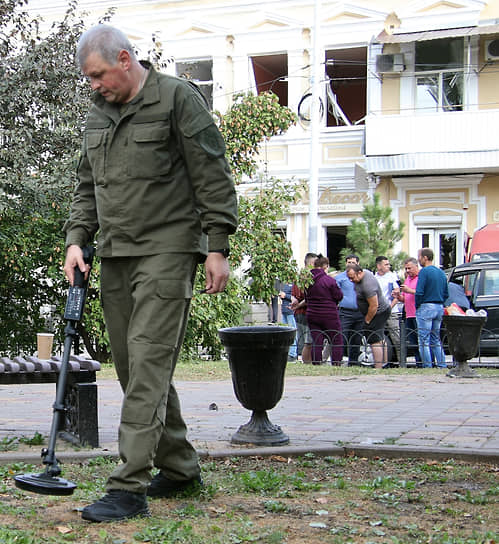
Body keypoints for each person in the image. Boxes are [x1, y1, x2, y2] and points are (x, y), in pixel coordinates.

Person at [62, 25, 238, 522]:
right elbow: (84, 185)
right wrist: (77, 239)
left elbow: (212, 173)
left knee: (146, 363)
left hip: (168, 250)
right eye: (88, 79)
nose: (94, 85)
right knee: (134, 366)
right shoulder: (100, 114)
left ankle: (128, 485)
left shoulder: (178, 99)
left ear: (124, 59)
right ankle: (180, 467)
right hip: (116, 255)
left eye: (97, 75)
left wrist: (217, 248)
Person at [346, 263, 391, 369]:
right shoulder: (365, 273)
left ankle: (378, 366)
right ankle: (384, 363)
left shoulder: (368, 285)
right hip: (380, 311)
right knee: (380, 338)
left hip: (377, 313)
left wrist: (367, 320)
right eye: (349, 278)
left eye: (352, 278)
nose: (351, 280)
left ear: (360, 273)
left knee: (373, 339)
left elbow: (374, 306)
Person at [305, 255, 343, 365]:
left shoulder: (307, 281)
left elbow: (306, 297)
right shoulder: (329, 280)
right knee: (336, 339)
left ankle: (316, 363)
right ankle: (336, 363)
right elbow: (338, 296)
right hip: (329, 314)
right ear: (325, 266)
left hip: (312, 314)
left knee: (317, 341)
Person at [415, 248, 449, 368]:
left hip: (426, 306)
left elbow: (419, 291)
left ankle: (427, 366)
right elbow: (446, 293)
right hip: (439, 306)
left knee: (424, 339)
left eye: (419, 256)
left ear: (425, 258)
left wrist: (417, 305)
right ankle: (441, 365)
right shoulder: (441, 272)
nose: (418, 259)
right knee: (435, 338)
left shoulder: (424, 272)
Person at [335, 254, 364, 365]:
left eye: (353, 262)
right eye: (349, 262)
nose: (351, 264)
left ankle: (353, 362)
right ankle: (338, 361)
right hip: (345, 312)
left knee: (356, 339)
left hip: (359, 312)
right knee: (341, 337)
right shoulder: (340, 277)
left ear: (358, 263)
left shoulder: (362, 276)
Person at [393, 257, 421, 366]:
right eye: (406, 269)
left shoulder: (420, 278)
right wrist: (398, 296)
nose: (407, 271)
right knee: (413, 341)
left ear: (416, 266)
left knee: (421, 340)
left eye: (409, 268)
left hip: (418, 313)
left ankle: (425, 362)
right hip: (408, 314)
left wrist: (409, 290)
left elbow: (421, 293)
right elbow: (405, 298)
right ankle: (418, 362)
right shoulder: (408, 279)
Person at [290, 252, 317, 363]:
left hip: (299, 312)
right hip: (305, 312)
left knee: (303, 339)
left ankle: (303, 359)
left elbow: (294, 294)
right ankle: (306, 362)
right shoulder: (307, 277)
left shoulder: (298, 276)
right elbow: (307, 296)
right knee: (308, 341)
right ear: (311, 263)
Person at [374, 255, 402, 362]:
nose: (388, 266)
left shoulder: (392, 277)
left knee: (396, 337)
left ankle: (401, 361)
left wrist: (389, 307)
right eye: (386, 264)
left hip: (391, 311)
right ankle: (382, 362)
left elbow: (397, 294)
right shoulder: (374, 278)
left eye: (388, 264)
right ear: (379, 266)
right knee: (378, 337)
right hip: (378, 311)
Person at [278, 282, 298, 361]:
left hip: (291, 311)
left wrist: (285, 296)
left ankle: (293, 354)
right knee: (285, 333)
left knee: (293, 333)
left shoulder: (294, 284)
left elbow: (295, 298)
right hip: (284, 311)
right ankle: (287, 353)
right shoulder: (283, 284)